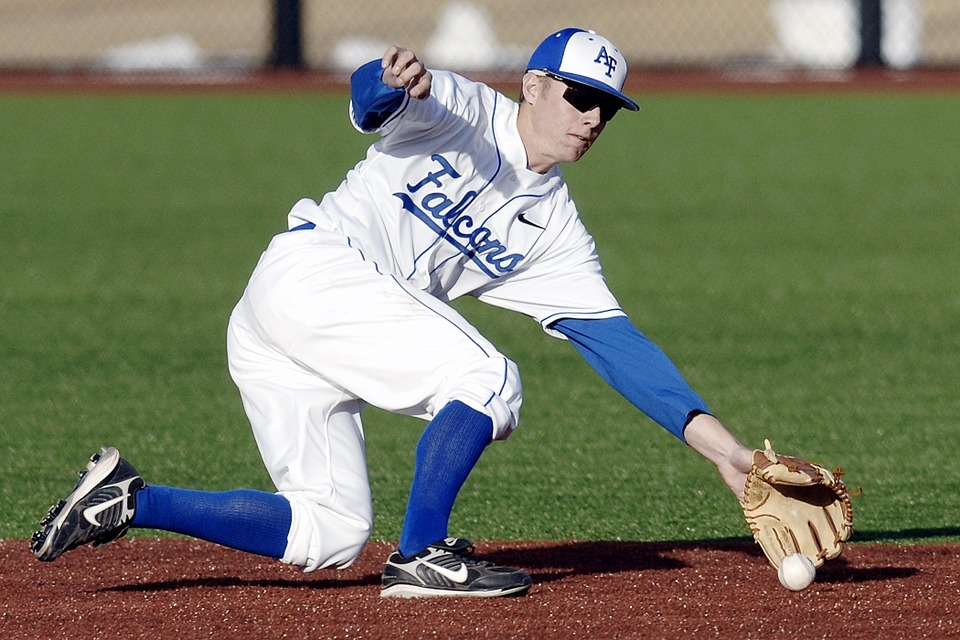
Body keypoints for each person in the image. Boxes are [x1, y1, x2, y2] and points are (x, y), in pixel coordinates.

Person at [31, 28, 755, 599]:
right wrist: (388, 78)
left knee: (331, 532)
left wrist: (730, 453)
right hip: (314, 272)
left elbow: (619, 347)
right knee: (489, 380)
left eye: (606, 108)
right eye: (579, 96)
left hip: (298, 327)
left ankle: (130, 499)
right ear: (533, 85)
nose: (592, 118)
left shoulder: (556, 233)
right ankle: (422, 558)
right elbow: (373, 101)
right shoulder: (469, 110)